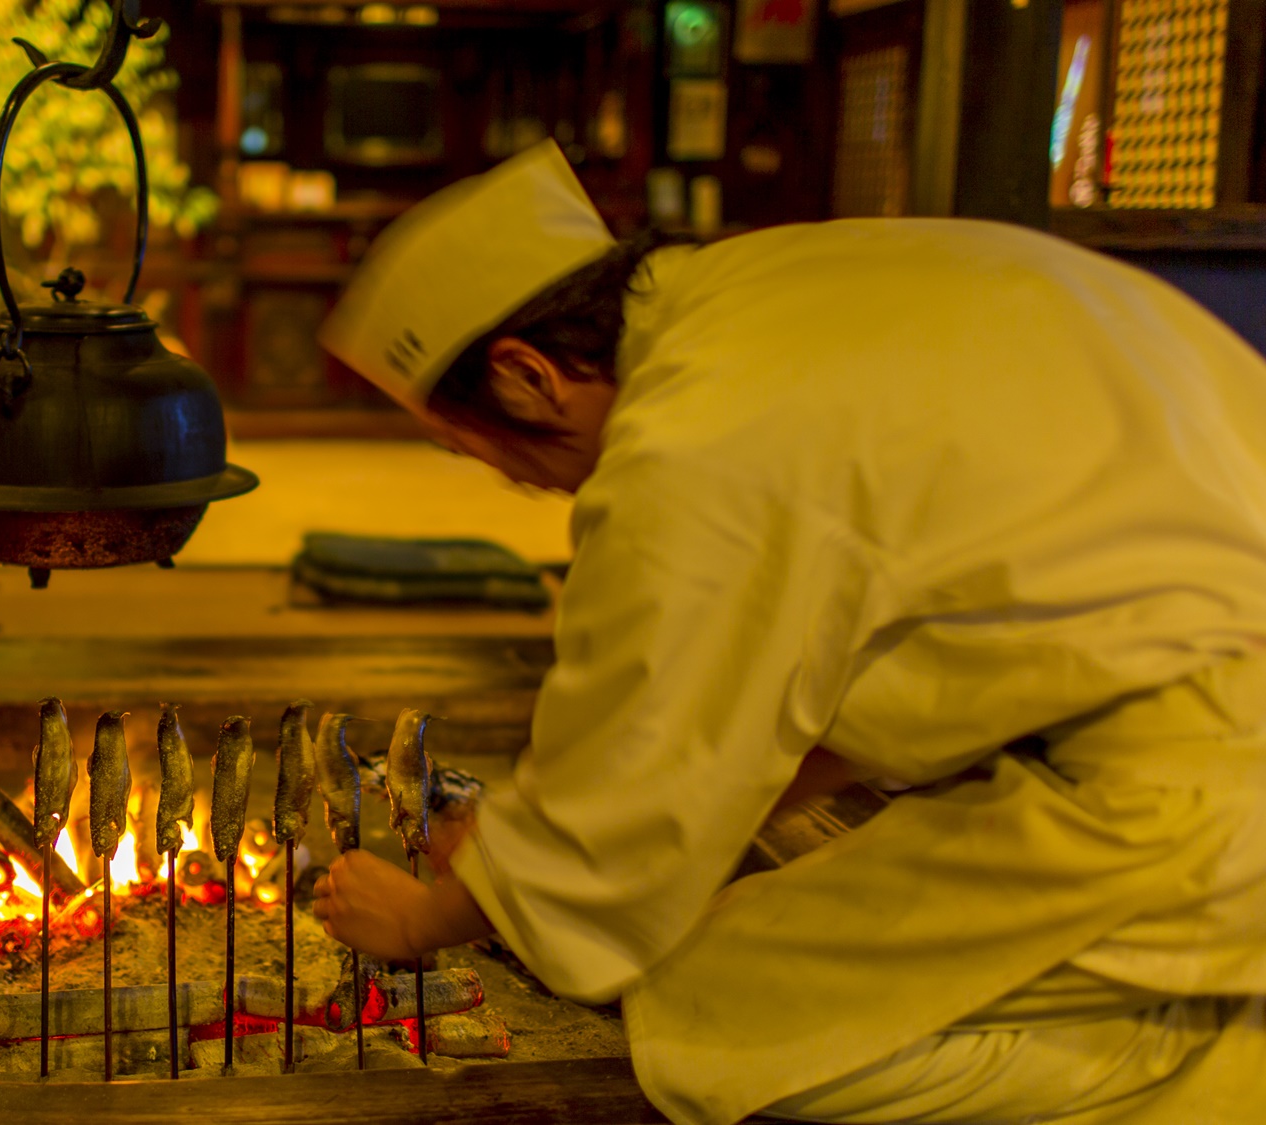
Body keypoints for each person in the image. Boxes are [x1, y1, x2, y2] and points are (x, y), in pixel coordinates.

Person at [308, 141, 1266, 1124]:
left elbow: (635, 760)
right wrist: (556, 852)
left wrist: (423, 918)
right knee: (746, 931)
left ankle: (1204, 1071)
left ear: (526, 377)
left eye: (474, 450)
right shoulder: (764, 288)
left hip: (1191, 781)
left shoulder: (690, 441)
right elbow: (755, 718)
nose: (513, 478)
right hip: (1171, 719)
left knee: (712, 1019)